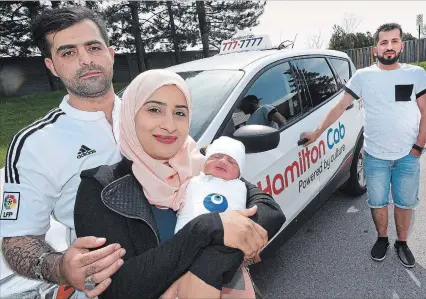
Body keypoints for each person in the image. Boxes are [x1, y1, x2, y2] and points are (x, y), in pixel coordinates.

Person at [74, 69, 286, 299]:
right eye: (154, 110)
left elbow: (269, 211)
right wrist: (207, 228)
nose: (169, 125)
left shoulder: (200, 164)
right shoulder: (101, 187)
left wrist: (205, 271)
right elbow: (117, 289)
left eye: (180, 113)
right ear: (130, 114)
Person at [1, 7, 126, 298]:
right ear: (52, 66)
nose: (85, 59)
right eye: (68, 52)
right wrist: (60, 268)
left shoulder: (148, 113)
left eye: (93, 47)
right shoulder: (35, 143)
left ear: (110, 53)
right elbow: (17, 240)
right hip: (109, 286)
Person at [300, 23, 426, 268]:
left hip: (407, 155)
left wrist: (417, 148)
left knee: (405, 203)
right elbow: (340, 106)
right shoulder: (363, 76)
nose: (389, 47)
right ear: (376, 49)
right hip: (374, 156)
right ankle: (382, 238)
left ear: (401, 45)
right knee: (377, 202)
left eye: (394, 41)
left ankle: (402, 243)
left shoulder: (416, 74)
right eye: (384, 42)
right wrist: (318, 132)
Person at [174, 136, 255, 298]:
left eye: (232, 161)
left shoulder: (240, 188)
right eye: (216, 156)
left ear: (240, 173)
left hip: (220, 253)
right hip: (184, 248)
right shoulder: (192, 181)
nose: (223, 161)